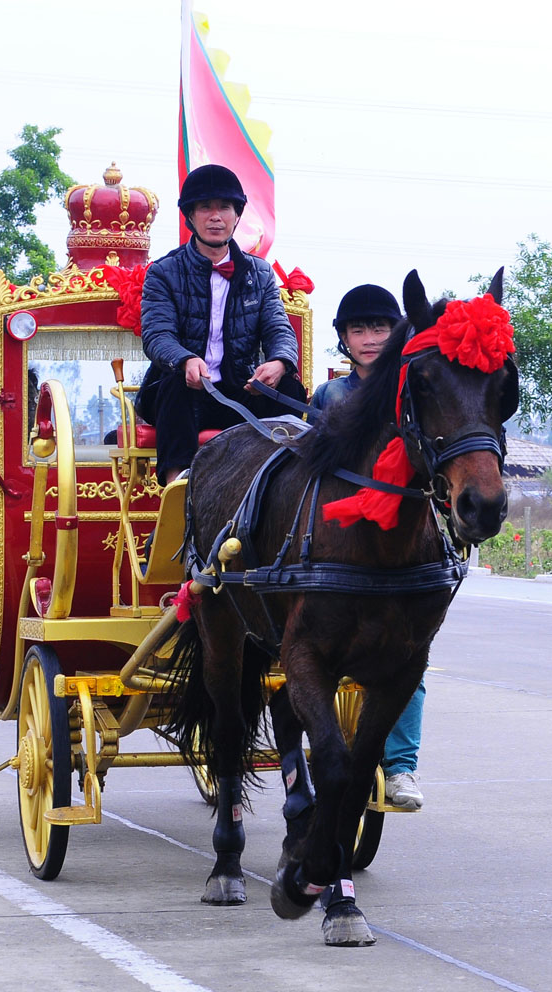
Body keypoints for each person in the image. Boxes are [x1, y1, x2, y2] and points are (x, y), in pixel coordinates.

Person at [310, 284, 426, 810]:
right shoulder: (329, 398)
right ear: (343, 339)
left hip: (397, 543)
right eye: (360, 330)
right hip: (336, 542)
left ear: (397, 332)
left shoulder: (414, 389)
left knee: (410, 660)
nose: (371, 339)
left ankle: (401, 768)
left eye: (381, 328)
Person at [136, 164, 306, 484]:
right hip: (184, 394)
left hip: (236, 390)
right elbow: (158, 335)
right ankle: (178, 487)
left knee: (288, 388)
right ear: (190, 216)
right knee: (175, 383)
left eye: (224, 207)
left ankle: (277, 483)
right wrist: (185, 359)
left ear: (236, 215)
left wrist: (280, 362)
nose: (216, 216)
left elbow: (278, 329)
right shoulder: (163, 272)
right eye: (206, 207)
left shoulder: (260, 273)